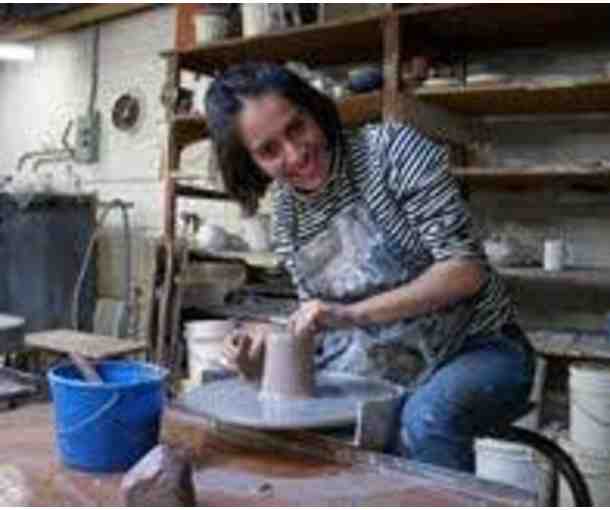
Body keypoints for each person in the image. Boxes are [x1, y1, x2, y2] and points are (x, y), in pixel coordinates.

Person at [205, 62, 534, 472]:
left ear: (312, 109)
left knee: (422, 421)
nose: (295, 153)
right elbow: (318, 324)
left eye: (296, 127)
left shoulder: (390, 151)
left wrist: (351, 314)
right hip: (382, 363)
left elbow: (465, 271)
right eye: (269, 151)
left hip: (476, 347)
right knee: (301, 425)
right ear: (249, 162)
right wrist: (264, 353)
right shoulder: (287, 217)